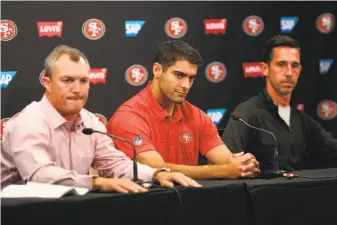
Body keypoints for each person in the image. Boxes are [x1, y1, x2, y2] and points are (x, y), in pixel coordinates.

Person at [1, 45, 201, 193]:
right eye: (67, 80)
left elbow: (116, 165)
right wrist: (97, 183)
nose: (77, 89)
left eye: (84, 81)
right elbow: (39, 176)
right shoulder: (28, 122)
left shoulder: (91, 124)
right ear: (47, 82)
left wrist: (157, 174)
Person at [107, 40, 260, 179]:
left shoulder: (197, 116)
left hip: (187, 201)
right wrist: (225, 170)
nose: (186, 85)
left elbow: (227, 161)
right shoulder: (128, 116)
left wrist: (242, 165)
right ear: (157, 70)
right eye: (179, 75)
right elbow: (155, 167)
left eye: (191, 78)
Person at [222, 35, 337, 172]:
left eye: (294, 66)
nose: (289, 73)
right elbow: (225, 163)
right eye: (281, 65)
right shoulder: (246, 114)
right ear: (265, 69)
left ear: (300, 70)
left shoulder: (303, 120)